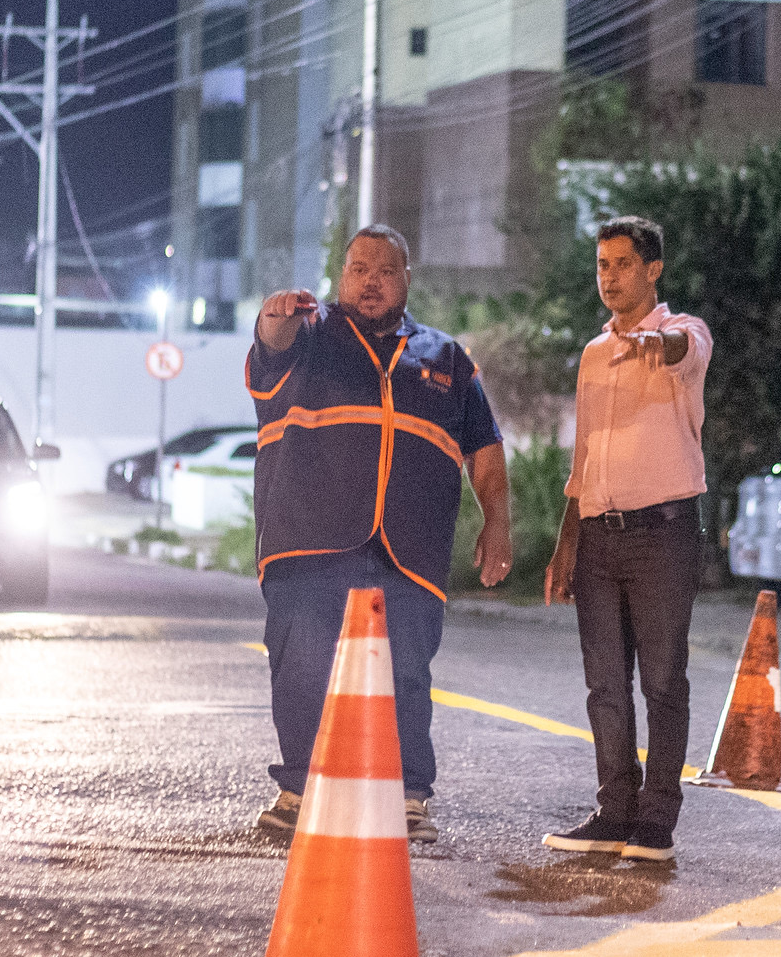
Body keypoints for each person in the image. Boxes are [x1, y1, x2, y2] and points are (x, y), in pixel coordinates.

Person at [246, 225, 511, 842]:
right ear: (342, 275)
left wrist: (497, 524)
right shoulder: (309, 337)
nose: (371, 280)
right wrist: (273, 316)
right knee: (301, 668)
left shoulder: (447, 358)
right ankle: (298, 791)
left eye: (385, 270)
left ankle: (408, 798)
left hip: (409, 550)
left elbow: (486, 450)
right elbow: (269, 350)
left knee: (407, 676)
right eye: (359, 268)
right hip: (309, 541)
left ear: (406, 279)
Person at [542, 216, 711, 863]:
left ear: (652, 269)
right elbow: (582, 460)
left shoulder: (685, 331)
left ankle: (656, 818)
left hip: (663, 534)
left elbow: (683, 348)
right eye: (602, 264)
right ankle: (614, 808)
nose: (609, 276)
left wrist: (657, 343)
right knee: (604, 683)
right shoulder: (592, 354)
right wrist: (566, 546)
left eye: (622, 263)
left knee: (663, 678)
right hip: (598, 538)